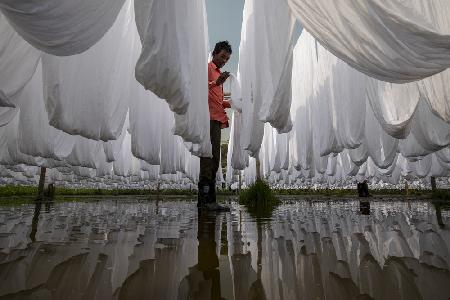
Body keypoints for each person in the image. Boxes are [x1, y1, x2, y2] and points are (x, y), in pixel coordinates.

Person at [198, 41, 233, 211]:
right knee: (208, 158)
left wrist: (230, 103)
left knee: (215, 160)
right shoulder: (207, 69)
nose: (224, 60)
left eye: (227, 58)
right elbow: (198, 90)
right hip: (208, 118)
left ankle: (210, 200)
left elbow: (216, 99)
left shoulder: (218, 74)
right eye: (222, 57)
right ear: (215, 53)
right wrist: (216, 83)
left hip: (217, 119)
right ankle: (205, 201)